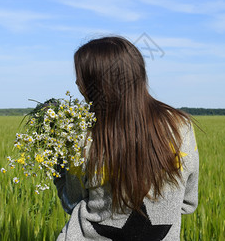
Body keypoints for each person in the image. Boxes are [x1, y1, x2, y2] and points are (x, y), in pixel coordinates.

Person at [54, 36, 199, 241]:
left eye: (82, 77)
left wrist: (58, 165)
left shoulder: (82, 135)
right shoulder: (180, 126)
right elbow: (188, 203)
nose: (77, 82)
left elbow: (72, 202)